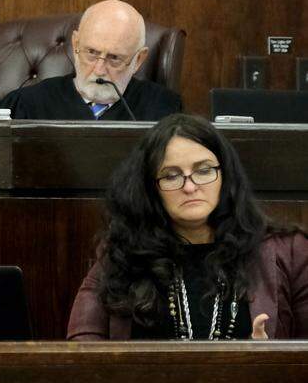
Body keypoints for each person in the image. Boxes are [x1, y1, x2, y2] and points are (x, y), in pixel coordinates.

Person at [67, 114, 308, 340]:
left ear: (226, 176)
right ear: (151, 188)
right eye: (171, 176)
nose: (190, 187)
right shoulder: (122, 253)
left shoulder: (289, 251)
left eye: (203, 170)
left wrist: (270, 360)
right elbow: (83, 348)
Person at [0, 0, 182, 121]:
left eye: (114, 58)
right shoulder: (23, 104)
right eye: (91, 52)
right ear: (75, 43)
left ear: (139, 60)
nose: (99, 69)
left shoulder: (165, 109)